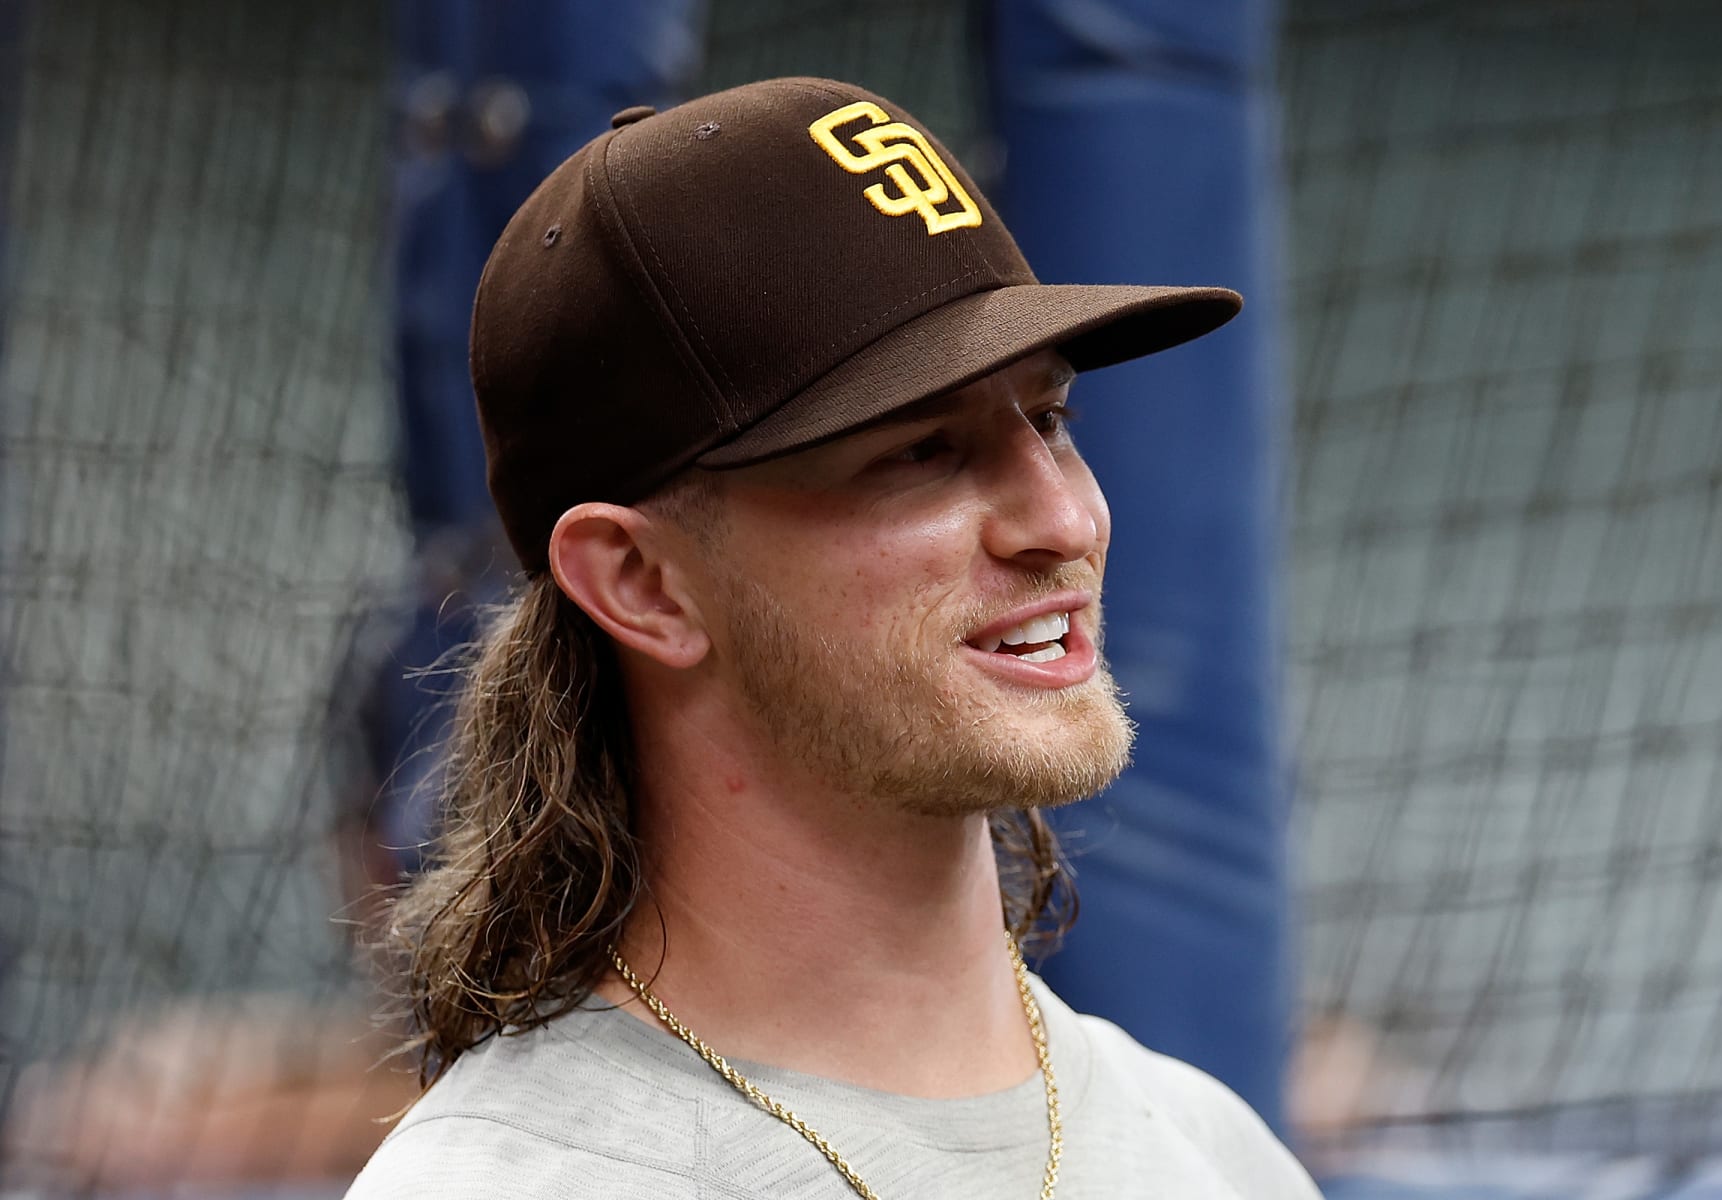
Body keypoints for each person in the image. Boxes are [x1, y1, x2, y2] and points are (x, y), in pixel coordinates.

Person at [345, 76, 1320, 1199]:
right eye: (919, 452)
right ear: (643, 582)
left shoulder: (1214, 1151)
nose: (1065, 521)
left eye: (1048, 421)